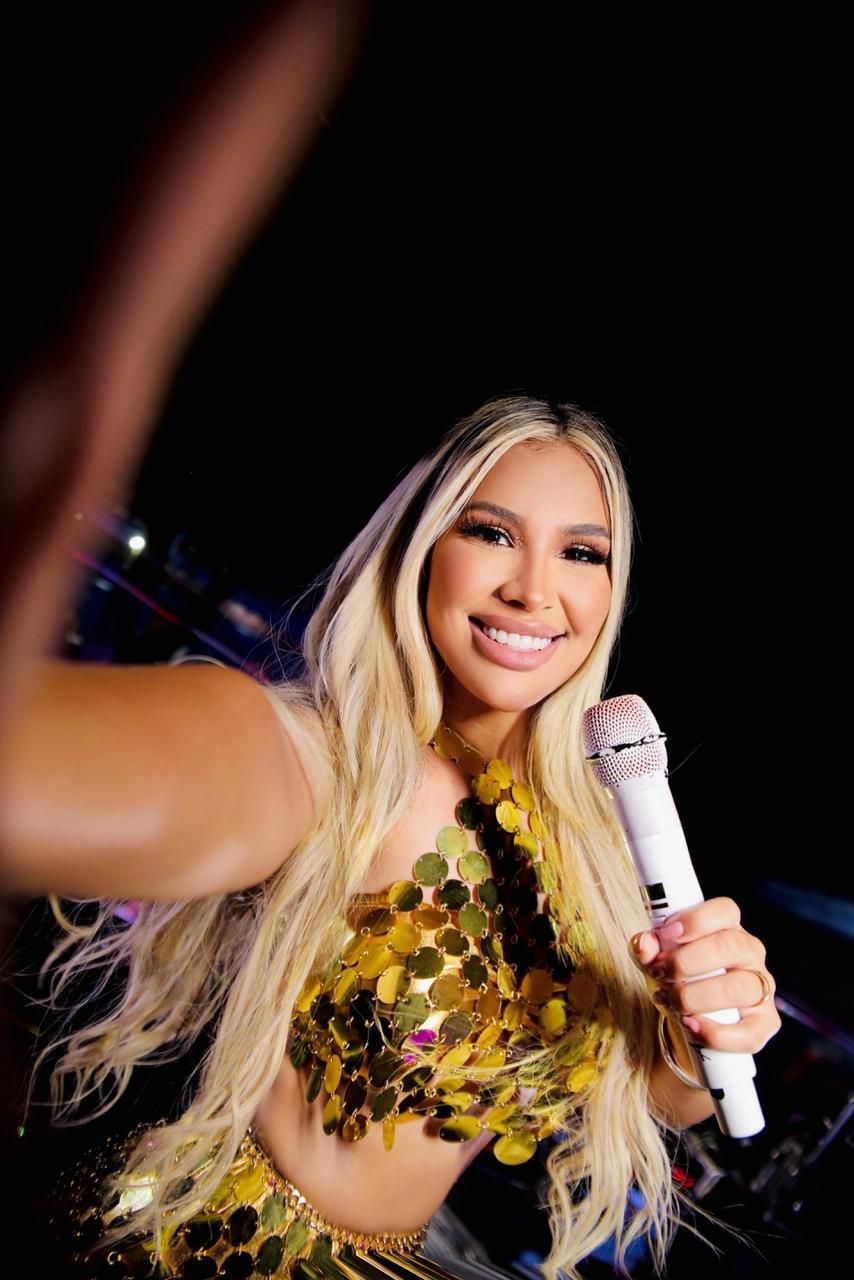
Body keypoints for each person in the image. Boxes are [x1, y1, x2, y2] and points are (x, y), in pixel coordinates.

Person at [2, 393, 781, 1280]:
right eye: (491, 533)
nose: (534, 589)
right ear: (421, 548)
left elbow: (668, 1098)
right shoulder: (338, 764)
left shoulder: (597, 836)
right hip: (215, 1248)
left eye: (580, 552)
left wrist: (703, 1027)